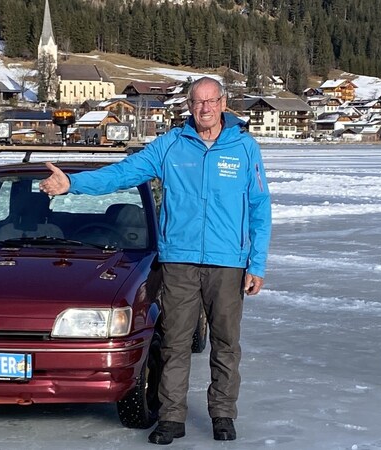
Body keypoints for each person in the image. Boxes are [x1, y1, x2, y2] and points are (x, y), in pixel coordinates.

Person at [39, 77, 271, 445]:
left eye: (211, 101)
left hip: (228, 263)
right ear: (189, 106)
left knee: (226, 343)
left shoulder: (244, 148)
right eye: (198, 102)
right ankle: (171, 417)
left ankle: (223, 414)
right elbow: (123, 173)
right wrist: (73, 184)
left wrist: (256, 263)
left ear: (223, 103)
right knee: (176, 343)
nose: (205, 109)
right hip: (178, 261)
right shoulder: (170, 147)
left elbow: (259, 207)